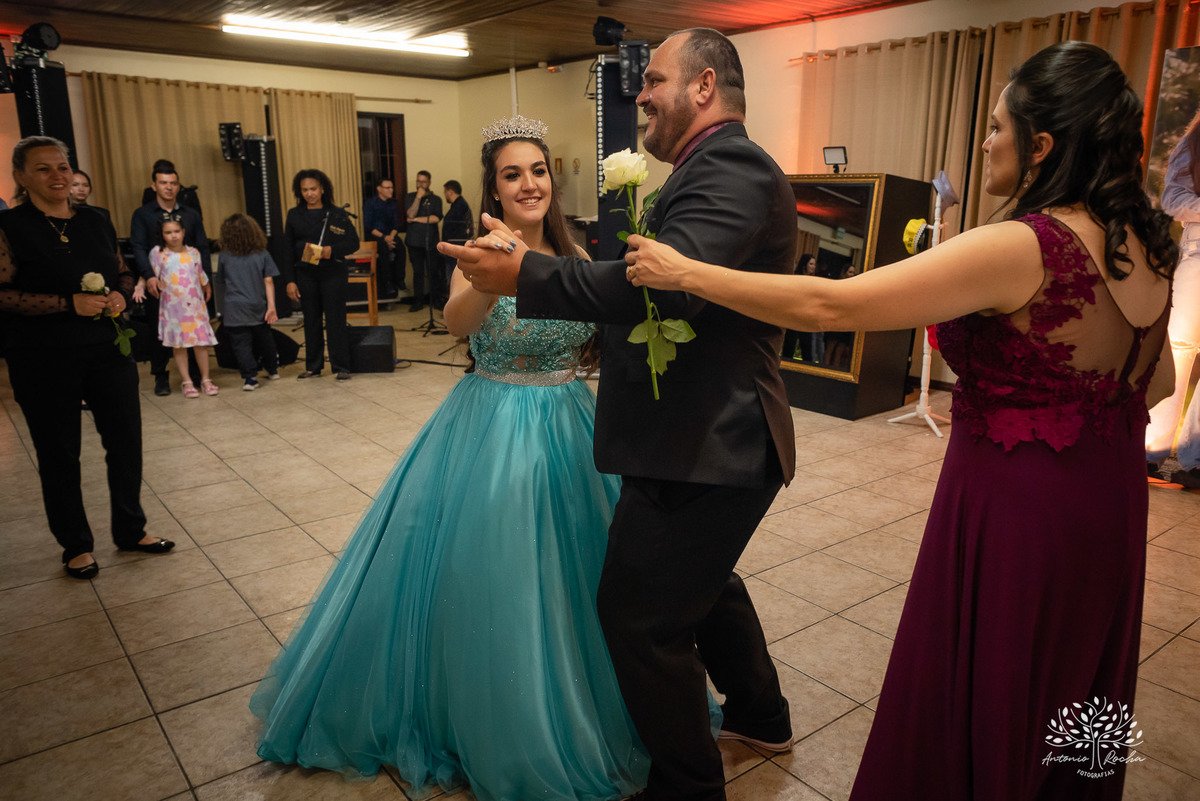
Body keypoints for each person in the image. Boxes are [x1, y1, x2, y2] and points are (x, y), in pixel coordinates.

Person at [624, 41, 1176, 800]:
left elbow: (833, 305)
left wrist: (685, 271)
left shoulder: (1028, 244)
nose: (984, 142)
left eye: (995, 128)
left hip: (1019, 511)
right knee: (1073, 688)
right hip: (1107, 511)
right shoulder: (1147, 249)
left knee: (991, 684)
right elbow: (1155, 383)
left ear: (1042, 145)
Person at [251, 116, 649, 801]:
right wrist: (494, 272)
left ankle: (585, 701)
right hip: (492, 427)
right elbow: (457, 321)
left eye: (539, 170)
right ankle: (502, 717)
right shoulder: (480, 250)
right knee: (500, 579)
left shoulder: (577, 252)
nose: (530, 183)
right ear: (494, 187)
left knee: (581, 576)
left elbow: (600, 329)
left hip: (570, 426)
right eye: (512, 173)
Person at [444, 29, 796, 801]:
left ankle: (688, 784)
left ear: (704, 86)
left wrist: (529, 274)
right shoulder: (702, 169)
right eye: (515, 174)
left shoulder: (729, 166)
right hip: (686, 435)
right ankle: (762, 713)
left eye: (655, 80)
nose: (639, 95)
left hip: (712, 437)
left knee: (640, 616)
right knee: (702, 583)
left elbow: (659, 287)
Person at [0, 136, 175, 579]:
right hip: (43, 358)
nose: (58, 176)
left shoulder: (96, 219)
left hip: (106, 351)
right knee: (60, 453)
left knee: (125, 443)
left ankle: (130, 529)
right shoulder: (10, 227)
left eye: (62, 167)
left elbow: (120, 269)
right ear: (21, 177)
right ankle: (76, 545)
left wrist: (119, 293)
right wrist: (66, 303)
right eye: (43, 169)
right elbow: (2, 293)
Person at [1146, 108, 1200, 486]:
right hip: (1199, 257)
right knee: (1178, 351)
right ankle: (1150, 452)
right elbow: (1172, 198)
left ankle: (1196, 459)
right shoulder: (1195, 142)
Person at [130, 158, 210, 396]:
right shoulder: (143, 214)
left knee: (194, 331)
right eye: (163, 183)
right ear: (154, 185)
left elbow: (201, 246)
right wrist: (148, 276)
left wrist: (204, 279)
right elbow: (138, 246)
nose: (169, 187)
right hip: (160, 283)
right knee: (161, 330)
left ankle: (197, 376)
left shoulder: (191, 214)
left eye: (173, 183)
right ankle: (161, 376)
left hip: (191, 284)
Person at [278, 169, 359, 381]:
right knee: (311, 320)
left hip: (333, 273)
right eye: (304, 190)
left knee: (335, 320)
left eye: (313, 189)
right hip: (305, 274)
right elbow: (286, 250)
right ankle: (313, 366)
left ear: (322, 189)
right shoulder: (294, 215)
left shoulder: (337, 213)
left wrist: (331, 251)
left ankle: (341, 366)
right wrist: (289, 281)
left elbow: (353, 242)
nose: (309, 193)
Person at [151, 216, 218, 397]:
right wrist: (141, 286)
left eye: (176, 231)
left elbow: (199, 272)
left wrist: (206, 285)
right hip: (173, 307)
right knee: (179, 345)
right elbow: (150, 274)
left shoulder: (193, 252)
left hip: (194, 305)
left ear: (183, 232)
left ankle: (205, 379)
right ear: (162, 234)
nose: (173, 236)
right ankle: (187, 381)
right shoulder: (159, 253)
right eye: (168, 232)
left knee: (200, 343)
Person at [215, 213, 280, 391]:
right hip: (257, 305)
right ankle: (272, 368)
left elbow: (220, 281)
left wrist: (221, 309)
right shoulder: (263, 254)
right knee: (265, 338)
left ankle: (250, 378)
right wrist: (272, 307)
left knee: (240, 344)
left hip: (234, 307)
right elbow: (269, 282)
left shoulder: (224, 256)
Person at [404, 169, 443, 312]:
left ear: (429, 183)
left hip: (431, 242)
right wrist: (418, 198)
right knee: (417, 273)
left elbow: (435, 218)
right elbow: (410, 213)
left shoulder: (436, 199)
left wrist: (414, 220)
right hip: (414, 242)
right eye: (418, 181)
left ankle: (436, 300)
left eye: (423, 182)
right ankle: (418, 301)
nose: (420, 184)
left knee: (433, 272)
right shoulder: (410, 197)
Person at [363, 177, 401, 299]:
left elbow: (396, 225)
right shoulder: (370, 203)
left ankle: (400, 279)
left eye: (392, 187)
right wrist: (385, 238)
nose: (391, 190)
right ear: (379, 189)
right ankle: (387, 282)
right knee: (384, 249)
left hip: (390, 234)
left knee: (401, 247)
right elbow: (368, 226)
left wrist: (391, 237)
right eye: (388, 188)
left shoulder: (393, 204)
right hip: (376, 235)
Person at [441, 178, 473, 289]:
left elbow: (454, 229)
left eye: (445, 192)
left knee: (454, 278)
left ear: (450, 191)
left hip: (455, 246)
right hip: (455, 245)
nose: (445, 195)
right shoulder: (459, 205)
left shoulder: (459, 206)